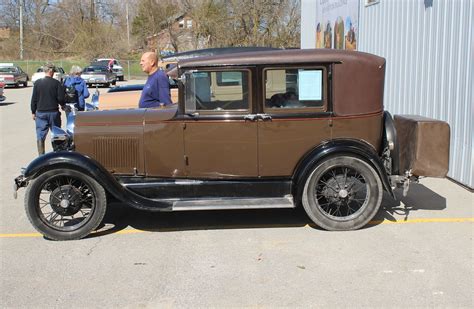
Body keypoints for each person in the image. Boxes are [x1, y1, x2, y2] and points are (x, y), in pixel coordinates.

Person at [30, 63, 66, 156]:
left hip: (41, 113)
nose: (54, 73)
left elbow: (34, 99)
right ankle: (57, 154)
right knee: (56, 134)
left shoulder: (37, 83)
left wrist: (33, 111)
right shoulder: (56, 83)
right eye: (53, 71)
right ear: (51, 71)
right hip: (53, 112)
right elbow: (61, 98)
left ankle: (41, 156)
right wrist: (63, 105)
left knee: (40, 135)